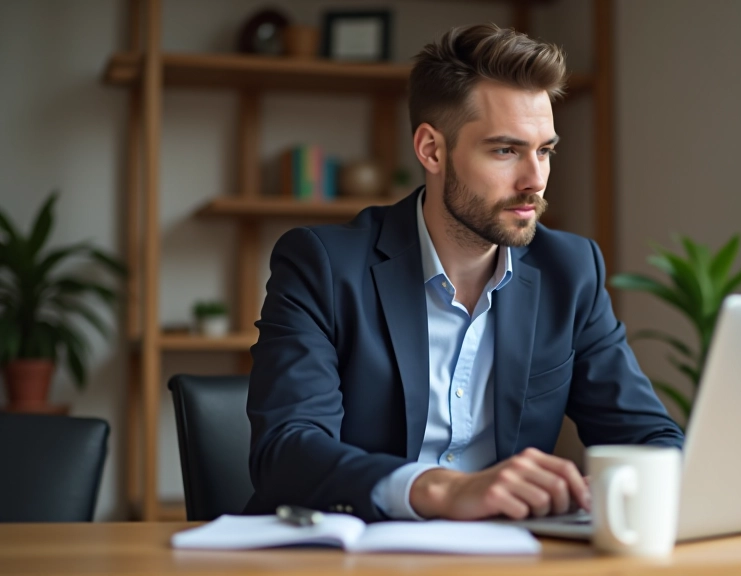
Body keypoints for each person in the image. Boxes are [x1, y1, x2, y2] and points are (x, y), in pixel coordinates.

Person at [244, 23, 683, 523]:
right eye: (505, 151)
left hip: (507, 554)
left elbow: (651, 439)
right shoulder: (321, 265)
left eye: (544, 151)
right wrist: (442, 491)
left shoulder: (571, 270)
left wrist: (603, 488)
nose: (534, 180)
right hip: (352, 552)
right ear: (432, 150)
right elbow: (286, 451)